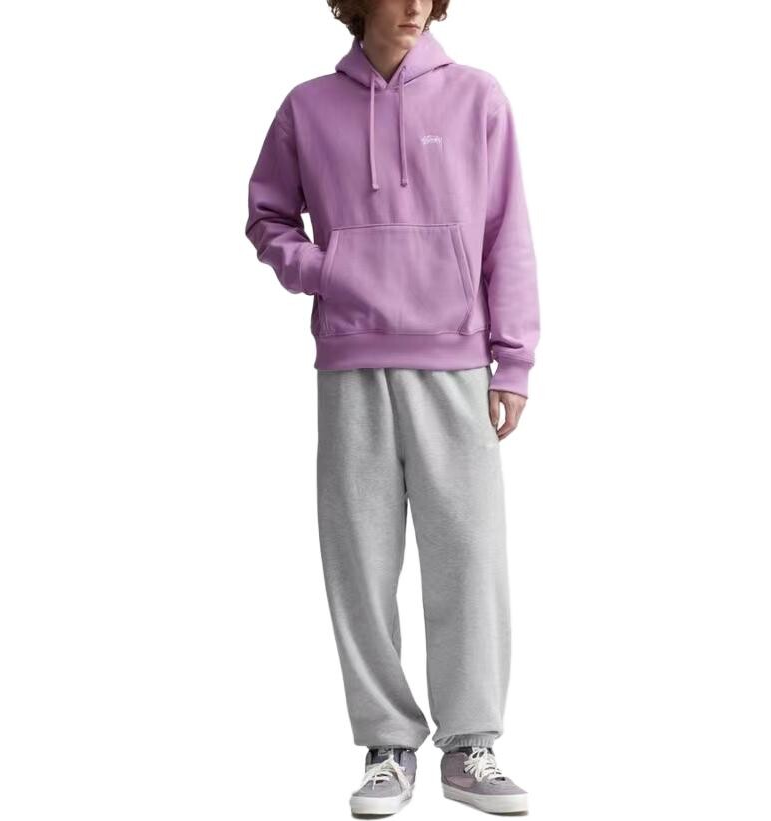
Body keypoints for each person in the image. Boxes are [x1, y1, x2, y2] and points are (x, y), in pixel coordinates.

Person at [245, 1, 540, 814]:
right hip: (352, 361)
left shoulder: (478, 96)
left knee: (468, 556)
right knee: (360, 562)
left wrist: (513, 359)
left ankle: (470, 743)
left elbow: (507, 232)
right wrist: (327, 270)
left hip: (455, 360)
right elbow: (266, 217)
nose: (413, 5)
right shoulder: (307, 107)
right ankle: (386, 742)